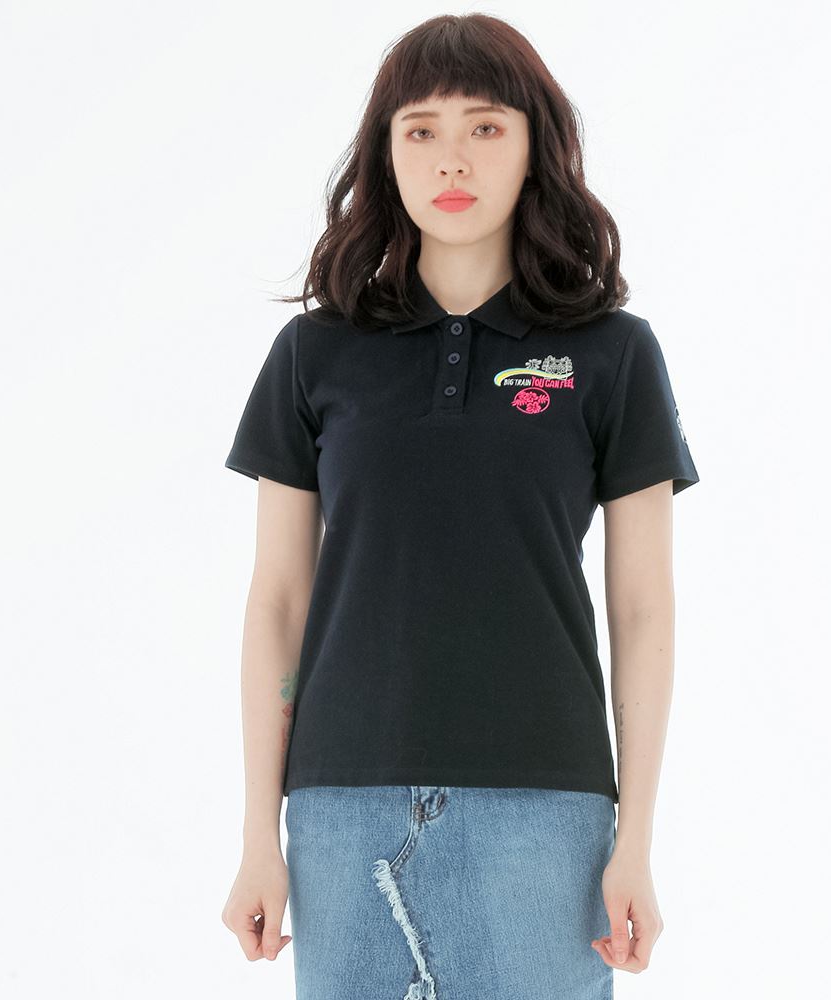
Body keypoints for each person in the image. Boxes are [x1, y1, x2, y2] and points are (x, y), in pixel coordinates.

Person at [220, 13, 699, 998]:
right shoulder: (315, 355)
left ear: (534, 147)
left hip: (546, 813)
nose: (452, 158)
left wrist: (635, 840)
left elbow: (644, 609)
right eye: (421, 129)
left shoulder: (612, 354)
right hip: (340, 809)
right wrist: (258, 835)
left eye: (485, 126)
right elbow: (277, 602)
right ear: (385, 152)